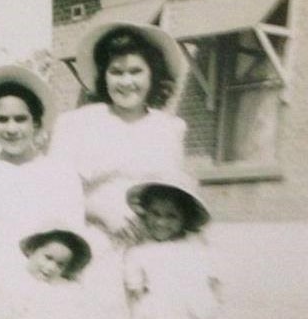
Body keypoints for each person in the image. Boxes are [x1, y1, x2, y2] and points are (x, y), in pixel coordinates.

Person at [0, 65, 85, 319]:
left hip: (48, 298)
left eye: (20, 119)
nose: (11, 129)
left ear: (36, 121)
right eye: (2, 119)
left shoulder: (61, 173)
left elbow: (73, 245)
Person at [50, 21, 188, 243]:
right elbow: (55, 193)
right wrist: (103, 214)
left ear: (152, 74)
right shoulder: (75, 124)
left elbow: (181, 199)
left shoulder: (170, 128)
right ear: (104, 76)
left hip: (153, 246)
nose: (126, 82)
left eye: (136, 71)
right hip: (91, 241)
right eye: (116, 72)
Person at [123, 176, 218, 319]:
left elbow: (212, 286)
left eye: (171, 216)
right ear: (145, 213)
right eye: (155, 214)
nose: (161, 222)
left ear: (185, 218)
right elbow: (134, 293)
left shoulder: (196, 249)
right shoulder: (138, 253)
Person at [0, 227, 92, 319]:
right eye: (48, 257)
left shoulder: (55, 293)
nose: (51, 267)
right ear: (32, 250)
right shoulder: (11, 276)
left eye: (60, 265)